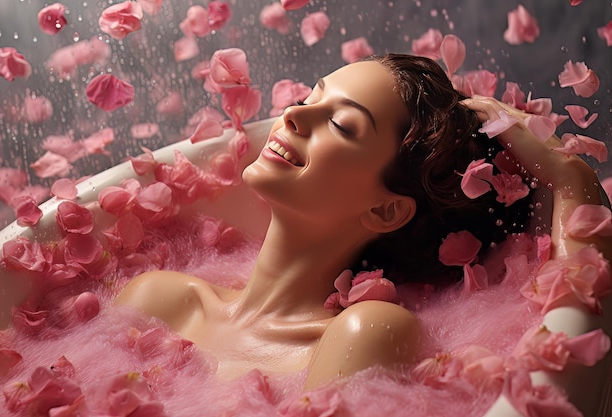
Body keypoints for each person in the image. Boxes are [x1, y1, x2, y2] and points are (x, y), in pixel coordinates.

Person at [115, 54, 611, 390]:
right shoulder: (159, 299)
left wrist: (567, 177)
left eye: (340, 124)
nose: (291, 114)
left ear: (386, 209)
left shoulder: (363, 332)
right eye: (311, 96)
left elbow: (566, 347)